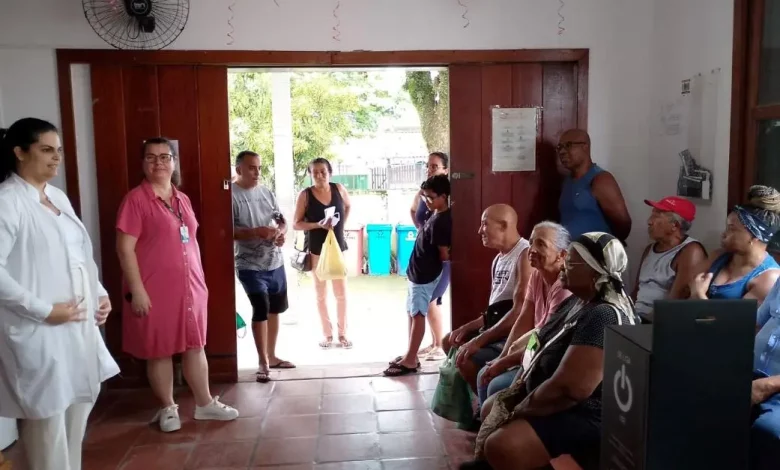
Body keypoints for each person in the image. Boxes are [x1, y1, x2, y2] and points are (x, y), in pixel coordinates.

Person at [0, 118, 119, 470]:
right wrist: (43, 310)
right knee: (47, 420)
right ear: (19, 152)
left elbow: (79, 255)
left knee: (78, 408)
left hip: (77, 325)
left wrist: (100, 293)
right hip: (40, 329)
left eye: (59, 151)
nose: (56, 159)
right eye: (46, 150)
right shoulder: (8, 202)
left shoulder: (57, 197)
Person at [461, 233, 637, 470]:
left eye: (571, 262)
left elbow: (570, 389)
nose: (564, 265)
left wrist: (523, 406)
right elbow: (541, 339)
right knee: (491, 406)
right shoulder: (578, 301)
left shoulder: (604, 314)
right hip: (554, 398)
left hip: (585, 413)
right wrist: (514, 374)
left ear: (594, 272)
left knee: (503, 444)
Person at [116, 137, 239, 433]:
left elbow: (190, 241)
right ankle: (167, 407)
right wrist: (137, 290)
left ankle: (205, 403)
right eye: (151, 157)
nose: (158, 162)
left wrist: (199, 282)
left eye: (164, 156)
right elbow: (124, 248)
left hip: (190, 286)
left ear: (173, 162)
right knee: (159, 350)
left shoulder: (182, 199)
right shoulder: (136, 200)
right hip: (154, 289)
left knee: (195, 345)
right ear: (143, 164)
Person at [476, 221, 573, 405]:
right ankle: (488, 424)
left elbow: (546, 339)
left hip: (548, 358)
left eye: (541, 244)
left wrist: (504, 363)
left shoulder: (565, 286)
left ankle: (497, 425)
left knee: (495, 385)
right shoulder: (537, 275)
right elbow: (524, 320)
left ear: (561, 255)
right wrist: (502, 357)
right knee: (485, 373)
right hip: (533, 349)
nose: (532, 249)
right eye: (531, 242)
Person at [441, 204, 532, 392]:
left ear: (503, 225)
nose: (479, 230)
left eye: (484, 224)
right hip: (497, 326)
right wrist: (466, 328)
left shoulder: (524, 255)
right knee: (449, 340)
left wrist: (479, 340)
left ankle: (485, 404)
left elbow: (519, 312)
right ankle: (480, 395)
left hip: (513, 335)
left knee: (465, 359)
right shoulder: (499, 259)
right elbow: (496, 311)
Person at [232, 151, 295, 383]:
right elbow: (226, 231)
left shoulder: (267, 192)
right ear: (238, 170)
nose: (257, 172)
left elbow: (282, 221)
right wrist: (255, 232)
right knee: (260, 306)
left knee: (275, 309)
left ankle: (272, 354)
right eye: (251, 168)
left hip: (275, 262)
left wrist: (280, 234)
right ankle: (262, 361)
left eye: (258, 167)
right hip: (248, 264)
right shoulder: (231, 195)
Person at [385, 174, 452, 376]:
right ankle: (411, 354)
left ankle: (411, 360)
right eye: (425, 197)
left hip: (425, 276)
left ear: (444, 196)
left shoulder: (443, 221)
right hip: (417, 274)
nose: (427, 201)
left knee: (418, 314)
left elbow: (444, 255)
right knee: (412, 313)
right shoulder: (435, 214)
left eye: (431, 197)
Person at [293, 157, 353, 349]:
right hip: (317, 251)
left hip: (337, 249)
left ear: (330, 173)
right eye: (315, 172)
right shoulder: (305, 195)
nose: (319, 175)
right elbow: (296, 223)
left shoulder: (339, 189)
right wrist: (316, 225)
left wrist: (341, 225)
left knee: (341, 294)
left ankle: (343, 335)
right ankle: (327, 335)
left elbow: (348, 206)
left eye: (323, 172)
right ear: (310, 175)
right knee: (320, 294)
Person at [689, 186, 780, 304]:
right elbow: (689, 285)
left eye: (732, 229)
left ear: (755, 236)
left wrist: (699, 296)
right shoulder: (718, 256)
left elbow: (737, 321)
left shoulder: (768, 278)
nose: (724, 234)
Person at [632, 196, 707, 320]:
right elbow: (636, 291)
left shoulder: (690, 251)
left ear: (674, 225)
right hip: (636, 317)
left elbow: (675, 303)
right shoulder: (649, 249)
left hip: (658, 322)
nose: (649, 222)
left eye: (656, 216)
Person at [409, 152, 450, 361]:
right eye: (428, 166)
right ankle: (420, 349)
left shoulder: (443, 215)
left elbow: (446, 256)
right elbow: (414, 210)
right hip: (421, 265)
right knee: (416, 310)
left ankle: (438, 346)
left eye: (435, 166)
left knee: (427, 306)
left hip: (431, 271)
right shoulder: (430, 204)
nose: (430, 169)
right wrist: (422, 231)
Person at [557, 129, 631, 242]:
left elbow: (623, 224)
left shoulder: (601, 180)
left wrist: (604, 248)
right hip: (571, 254)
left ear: (585, 147)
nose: (562, 151)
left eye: (568, 145)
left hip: (594, 255)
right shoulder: (567, 181)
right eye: (559, 147)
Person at [748, 278, 780, 469]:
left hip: (774, 386)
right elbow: (756, 323)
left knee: (768, 430)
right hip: (751, 375)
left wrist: (767, 385)